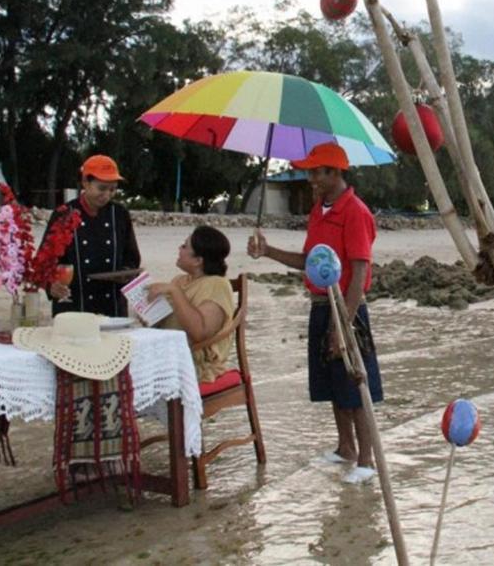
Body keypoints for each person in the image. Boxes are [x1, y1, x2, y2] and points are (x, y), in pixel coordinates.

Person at [247, 142, 382, 484]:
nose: (311, 179)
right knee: (333, 385)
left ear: (336, 172)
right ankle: (345, 447)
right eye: (309, 172)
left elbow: (360, 272)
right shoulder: (318, 210)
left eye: (316, 172)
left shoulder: (355, 211)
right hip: (320, 305)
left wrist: (345, 325)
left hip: (346, 307)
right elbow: (309, 261)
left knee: (355, 384)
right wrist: (268, 251)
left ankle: (367, 459)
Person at [45, 155, 140, 317]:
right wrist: (52, 285)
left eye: (112, 189)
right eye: (101, 188)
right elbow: (46, 261)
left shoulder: (119, 214)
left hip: (112, 308)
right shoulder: (64, 214)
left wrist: (126, 273)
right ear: (85, 183)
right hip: (74, 307)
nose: (107, 195)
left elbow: (131, 257)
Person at [147, 226, 236, 384]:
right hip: (166, 352)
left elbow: (199, 332)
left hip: (192, 363)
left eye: (184, 246)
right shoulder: (180, 280)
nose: (179, 249)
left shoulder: (217, 285)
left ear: (198, 260)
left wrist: (175, 292)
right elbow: (163, 321)